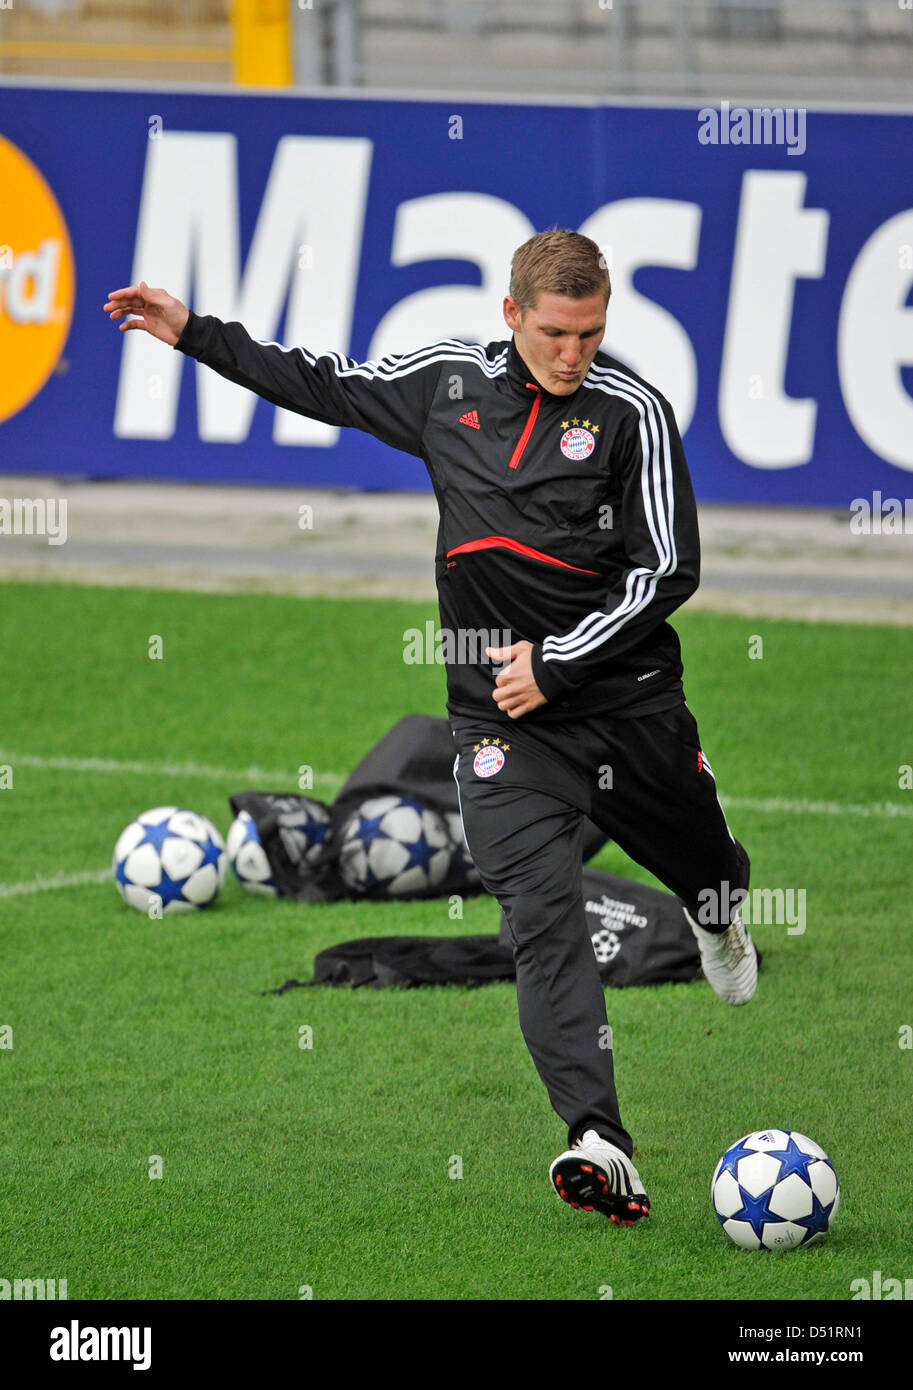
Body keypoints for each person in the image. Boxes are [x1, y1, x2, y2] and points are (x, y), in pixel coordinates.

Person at [104, 227, 756, 1225]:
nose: (574, 353)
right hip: (497, 722)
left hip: (628, 710)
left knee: (705, 864)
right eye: (554, 333)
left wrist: (558, 659)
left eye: (590, 334)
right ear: (510, 317)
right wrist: (193, 332)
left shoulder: (634, 415)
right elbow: (319, 381)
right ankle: (598, 1139)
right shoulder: (446, 386)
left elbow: (669, 569)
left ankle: (714, 910)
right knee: (539, 922)